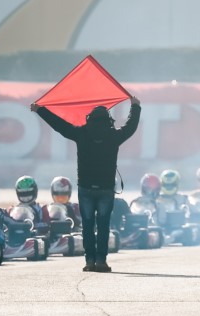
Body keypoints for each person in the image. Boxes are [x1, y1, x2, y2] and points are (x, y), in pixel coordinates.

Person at [31, 98, 141, 273]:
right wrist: (135, 106)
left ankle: (89, 261)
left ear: (90, 119)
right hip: (106, 189)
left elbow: (59, 125)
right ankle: (101, 261)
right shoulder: (114, 136)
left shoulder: (81, 133)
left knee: (88, 226)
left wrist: (40, 110)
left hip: (86, 188)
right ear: (109, 121)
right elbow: (131, 127)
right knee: (103, 226)